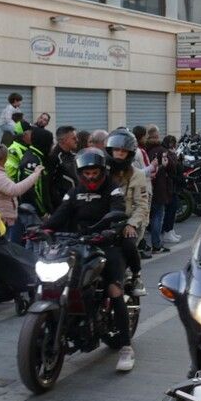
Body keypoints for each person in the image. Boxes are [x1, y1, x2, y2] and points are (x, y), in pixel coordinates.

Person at [45, 149, 134, 371]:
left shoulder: (113, 189)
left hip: (107, 243)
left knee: (114, 290)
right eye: (87, 173)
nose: (91, 177)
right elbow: (61, 213)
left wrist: (111, 229)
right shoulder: (74, 192)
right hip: (78, 243)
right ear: (80, 173)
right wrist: (43, 228)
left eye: (95, 173)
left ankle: (126, 348)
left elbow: (118, 210)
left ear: (102, 171)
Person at [106, 129, 149, 296]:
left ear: (129, 153)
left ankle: (136, 275)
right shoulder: (103, 173)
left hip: (128, 223)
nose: (119, 154)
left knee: (128, 245)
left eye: (123, 151)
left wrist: (131, 224)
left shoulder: (137, 175)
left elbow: (142, 205)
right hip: (106, 223)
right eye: (116, 150)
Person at [0, 142, 43, 244]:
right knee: (6, 246)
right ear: (0, 158)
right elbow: (15, 190)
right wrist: (35, 175)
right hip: (1, 218)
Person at [145, 126, 173, 253]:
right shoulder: (162, 151)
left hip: (146, 187)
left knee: (148, 216)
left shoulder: (143, 150)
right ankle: (156, 244)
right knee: (157, 216)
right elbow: (171, 167)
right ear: (157, 136)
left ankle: (144, 244)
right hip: (159, 187)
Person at [19, 127, 55, 218]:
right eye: (51, 142)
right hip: (33, 214)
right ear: (44, 143)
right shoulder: (33, 160)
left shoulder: (39, 157)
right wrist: (43, 213)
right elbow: (32, 190)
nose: (53, 145)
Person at [51, 125, 79, 205]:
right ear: (62, 141)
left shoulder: (74, 155)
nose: (77, 140)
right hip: (62, 204)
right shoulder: (54, 158)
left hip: (76, 201)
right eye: (74, 138)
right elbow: (49, 185)